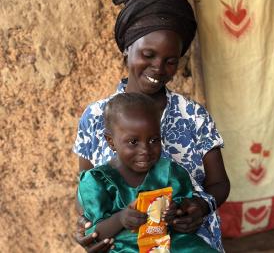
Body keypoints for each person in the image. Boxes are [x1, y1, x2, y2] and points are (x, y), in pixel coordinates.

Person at [73, 0, 230, 252]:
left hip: (189, 243)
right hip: (123, 246)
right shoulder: (95, 117)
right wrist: (87, 229)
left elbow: (220, 184)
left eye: (171, 61)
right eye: (148, 54)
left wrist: (200, 207)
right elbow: (84, 191)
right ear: (127, 49)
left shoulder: (194, 116)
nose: (158, 67)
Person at [78, 93, 219, 252]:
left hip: (171, 243)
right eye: (133, 142)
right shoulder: (97, 181)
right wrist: (121, 219)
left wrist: (174, 212)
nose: (145, 150)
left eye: (154, 140)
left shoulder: (169, 172)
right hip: (126, 248)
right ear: (111, 141)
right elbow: (94, 233)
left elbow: (184, 211)